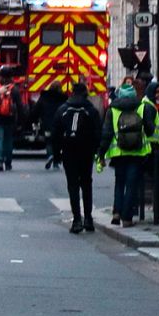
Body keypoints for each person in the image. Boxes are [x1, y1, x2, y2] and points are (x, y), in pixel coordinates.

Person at [101, 81, 154, 228]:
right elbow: (150, 129)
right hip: (137, 151)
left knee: (119, 183)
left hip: (119, 152)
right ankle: (127, 218)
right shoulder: (142, 107)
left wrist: (101, 153)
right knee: (131, 185)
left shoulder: (113, 109)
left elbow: (106, 133)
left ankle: (116, 212)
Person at [54, 83, 100, 234]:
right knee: (86, 183)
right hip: (86, 150)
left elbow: (56, 133)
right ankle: (88, 218)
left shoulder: (63, 110)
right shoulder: (91, 110)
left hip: (69, 150)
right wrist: (97, 150)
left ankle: (77, 220)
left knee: (73, 185)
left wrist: (56, 154)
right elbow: (97, 131)